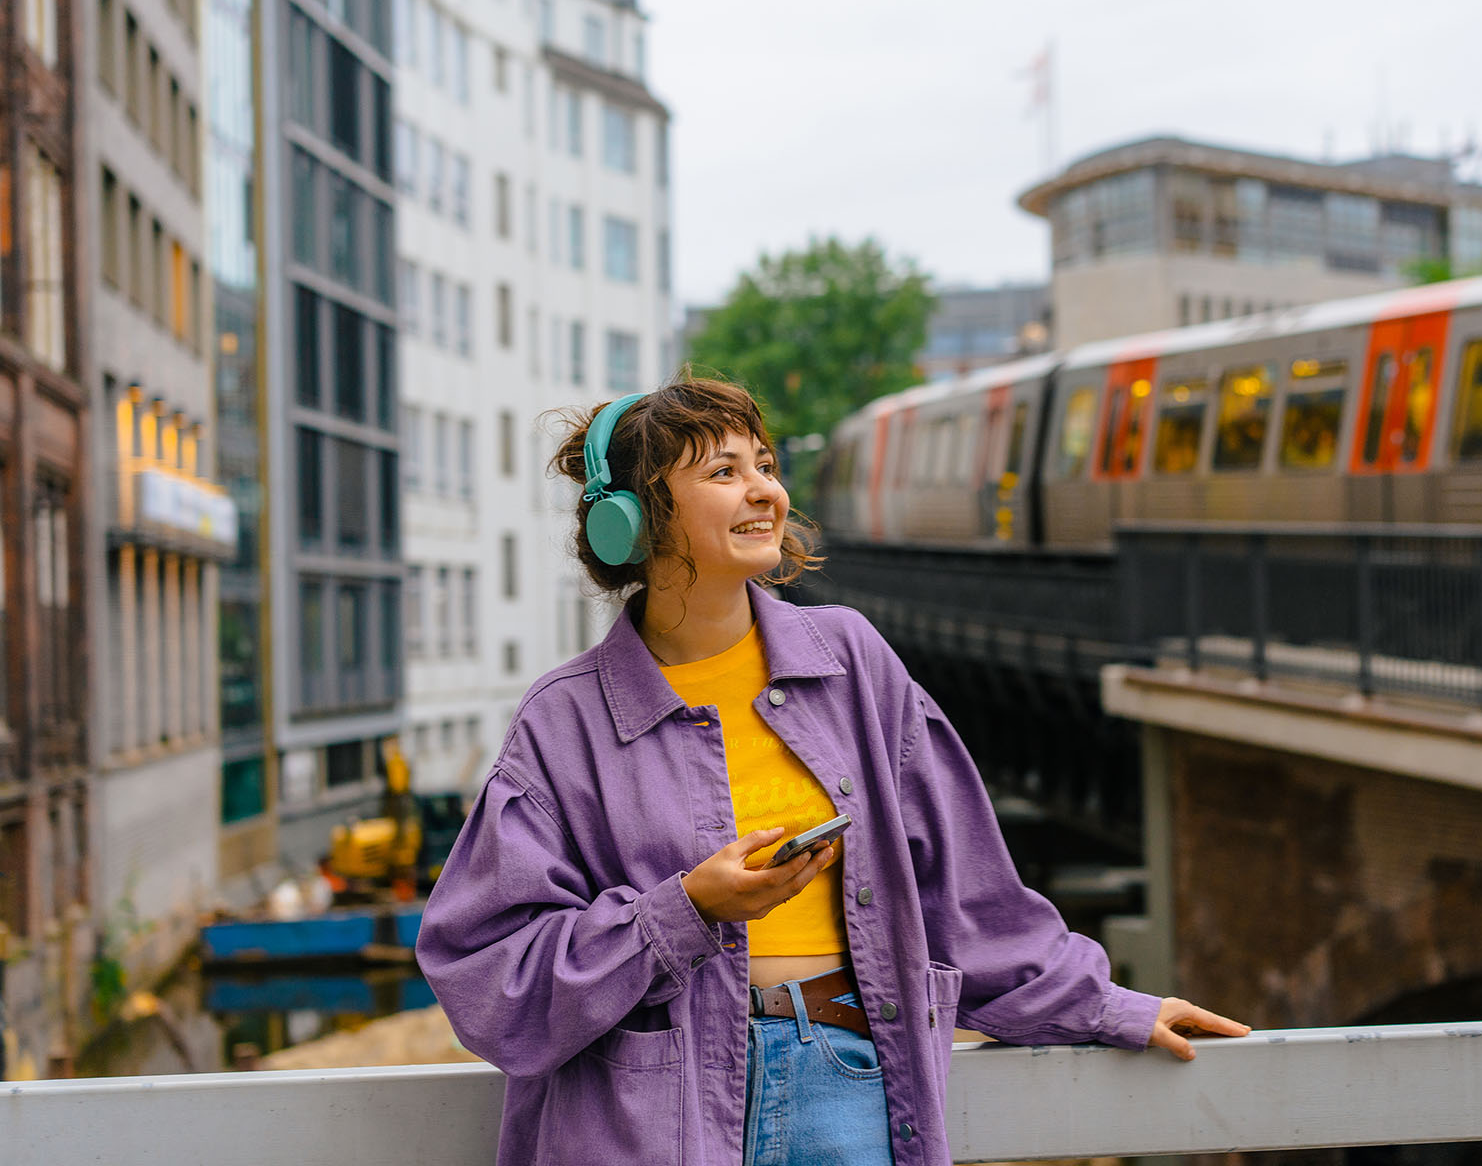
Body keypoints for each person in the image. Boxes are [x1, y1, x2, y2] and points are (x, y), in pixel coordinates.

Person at [415, 375, 1249, 1166]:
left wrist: (1108, 1007)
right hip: (643, 1117)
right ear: (631, 521)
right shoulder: (565, 720)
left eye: (766, 467)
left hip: (848, 1081)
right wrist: (684, 911)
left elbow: (965, 894)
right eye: (724, 471)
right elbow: (487, 977)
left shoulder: (852, 661)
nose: (765, 491)